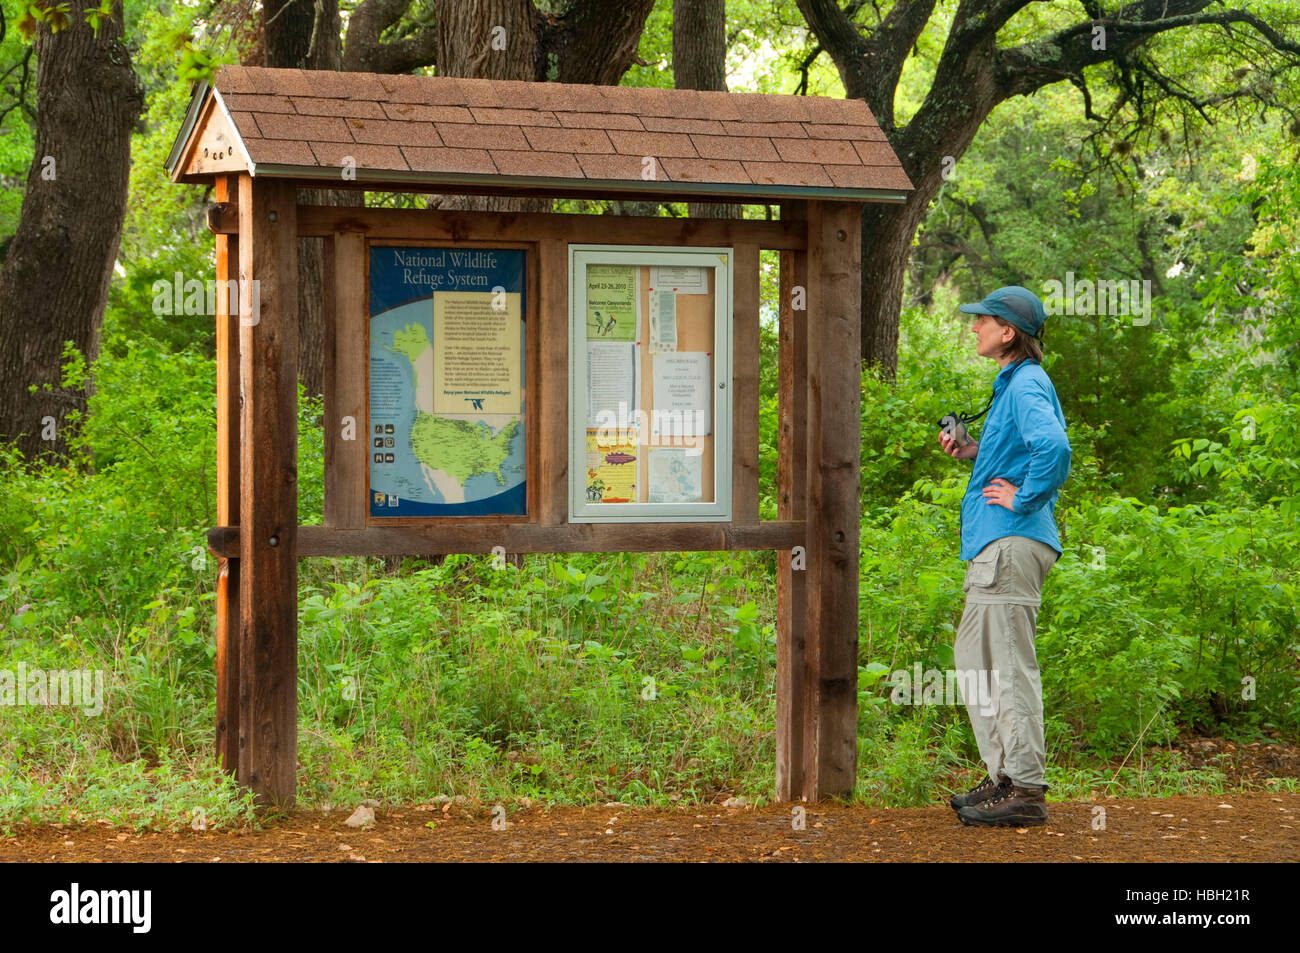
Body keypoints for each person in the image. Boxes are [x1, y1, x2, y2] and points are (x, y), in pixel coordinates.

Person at [937, 285, 1071, 827]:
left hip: (1011, 543)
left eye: (983, 321)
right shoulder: (1013, 383)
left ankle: (1027, 791)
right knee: (976, 665)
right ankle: (1005, 778)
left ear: (1008, 332)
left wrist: (1025, 496)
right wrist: (973, 452)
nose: (974, 328)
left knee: (1007, 668)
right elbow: (1017, 451)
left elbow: (1054, 448)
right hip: (994, 545)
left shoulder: (1028, 383)